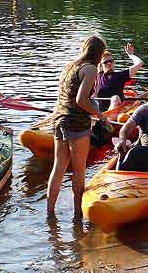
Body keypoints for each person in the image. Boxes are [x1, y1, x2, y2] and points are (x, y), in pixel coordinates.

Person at [47, 35, 108, 218]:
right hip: (76, 124)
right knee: (79, 169)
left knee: (59, 167)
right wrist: (100, 116)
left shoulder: (70, 66)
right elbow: (81, 100)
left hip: (59, 119)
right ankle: (77, 215)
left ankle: (49, 213)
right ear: (99, 54)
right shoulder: (90, 69)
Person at [94, 43, 143, 111]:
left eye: (111, 61)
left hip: (116, 110)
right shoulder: (98, 75)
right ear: (101, 65)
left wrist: (130, 55)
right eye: (106, 62)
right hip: (100, 110)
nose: (109, 63)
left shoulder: (120, 75)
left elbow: (140, 63)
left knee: (115, 98)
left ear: (113, 62)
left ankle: (107, 117)